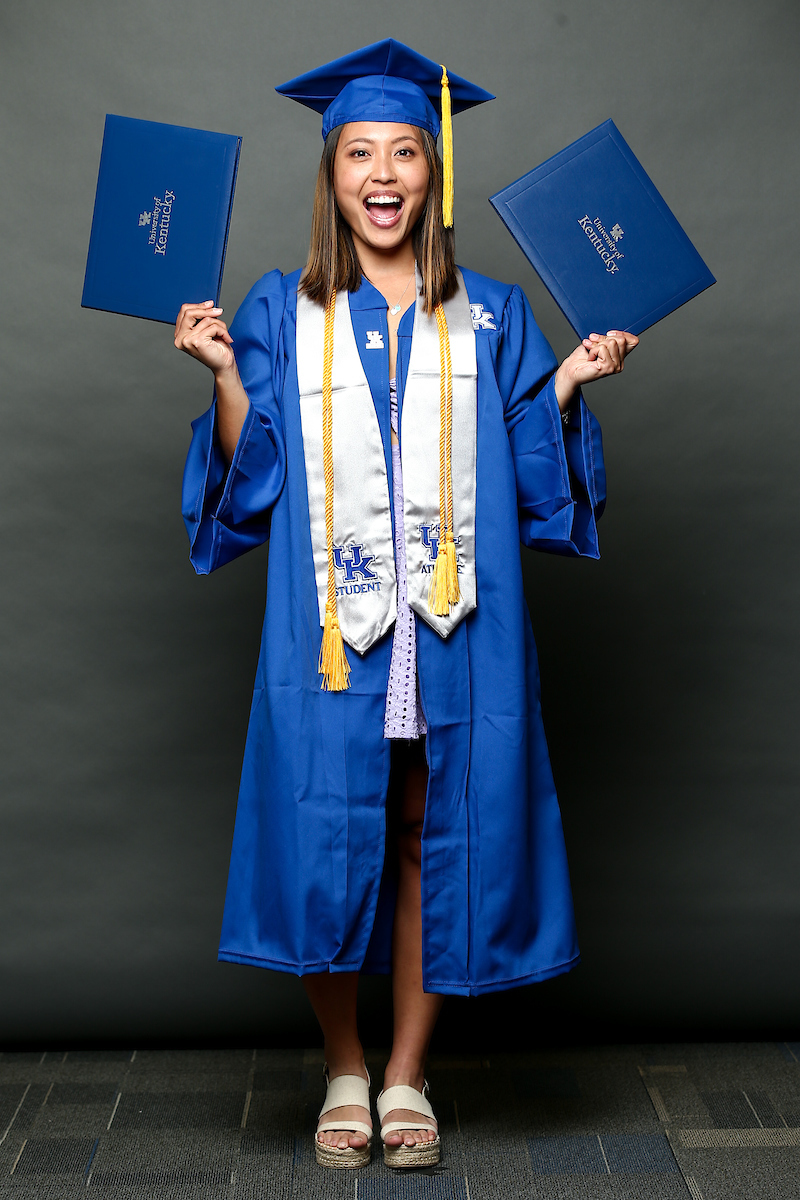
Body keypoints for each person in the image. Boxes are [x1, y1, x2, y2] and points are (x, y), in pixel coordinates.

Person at [175, 39, 638, 1171]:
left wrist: (569, 383)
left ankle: (404, 1075)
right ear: (331, 176)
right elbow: (255, 479)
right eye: (357, 154)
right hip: (336, 628)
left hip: (450, 628)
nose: (382, 175)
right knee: (336, 825)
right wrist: (226, 376)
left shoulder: (490, 315)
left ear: (431, 171)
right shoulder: (283, 309)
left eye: (404, 153)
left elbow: (536, 484)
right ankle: (342, 1062)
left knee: (433, 826)